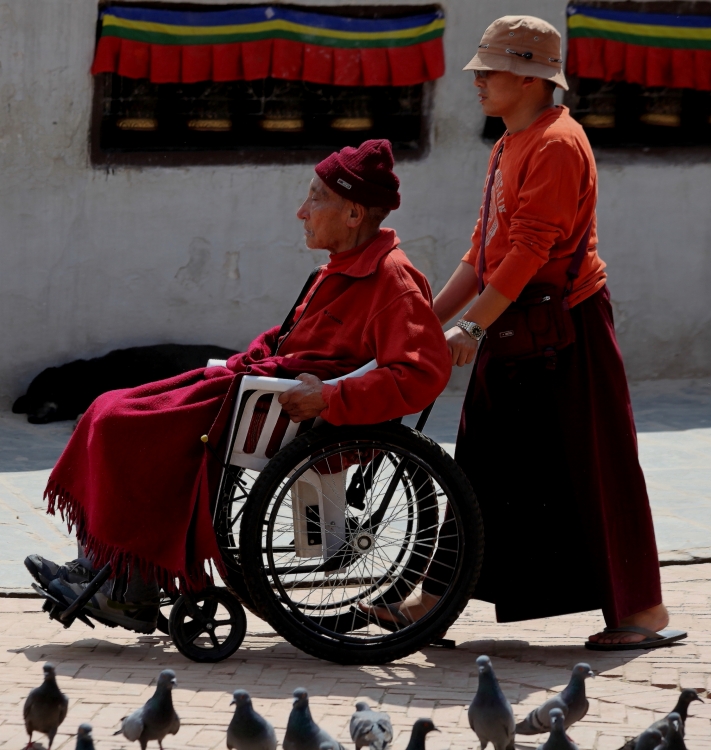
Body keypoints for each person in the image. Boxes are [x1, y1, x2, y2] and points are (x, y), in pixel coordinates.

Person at [25, 139, 451, 633]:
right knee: (106, 408)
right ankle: (116, 573)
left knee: (125, 424)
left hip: (288, 410)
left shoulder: (393, 281)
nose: (301, 211)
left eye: (315, 198)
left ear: (354, 213)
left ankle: (126, 583)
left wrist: (331, 396)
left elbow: (420, 373)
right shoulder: (335, 270)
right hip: (256, 388)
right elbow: (289, 337)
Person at [367, 16, 686, 651]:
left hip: (568, 328)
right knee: (482, 461)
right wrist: (427, 321)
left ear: (532, 77)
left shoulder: (559, 143)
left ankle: (641, 613)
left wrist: (472, 326)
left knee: (597, 464)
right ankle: (434, 604)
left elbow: (530, 251)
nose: (479, 81)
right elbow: (484, 253)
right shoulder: (509, 142)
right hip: (514, 322)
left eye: (490, 71)